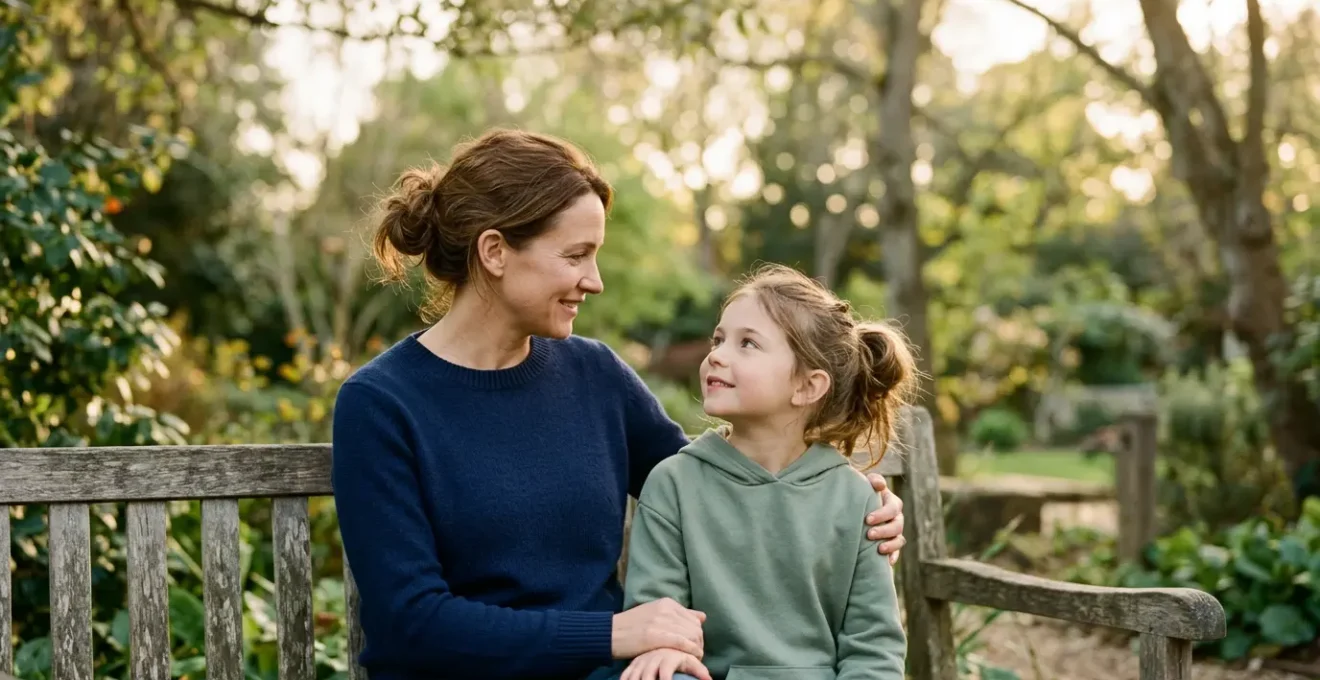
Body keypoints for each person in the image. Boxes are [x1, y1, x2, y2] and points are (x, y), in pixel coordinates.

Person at [330, 128, 907, 680]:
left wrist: (851, 506)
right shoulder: (380, 405)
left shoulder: (595, 375)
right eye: (576, 255)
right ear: (495, 251)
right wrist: (609, 634)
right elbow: (411, 621)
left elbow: (724, 487)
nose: (595, 280)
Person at [614, 264, 912, 680]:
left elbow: (873, 649)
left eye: (747, 344)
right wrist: (665, 653)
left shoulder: (856, 500)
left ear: (808, 386)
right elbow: (660, 623)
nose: (716, 354)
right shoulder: (673, 484)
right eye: (718, 340)